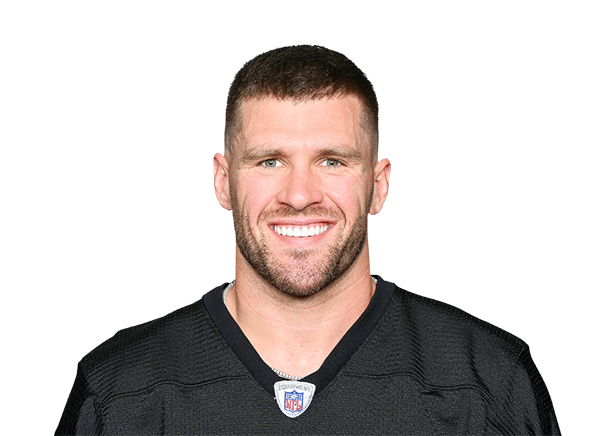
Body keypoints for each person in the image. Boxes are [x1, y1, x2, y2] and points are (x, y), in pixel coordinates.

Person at [56, 44, 560, 435]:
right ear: (223, 181)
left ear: (379, 185)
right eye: (270, 161)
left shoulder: (489, 384)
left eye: (332, 161)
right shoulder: (119, 391)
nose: (299, 195)